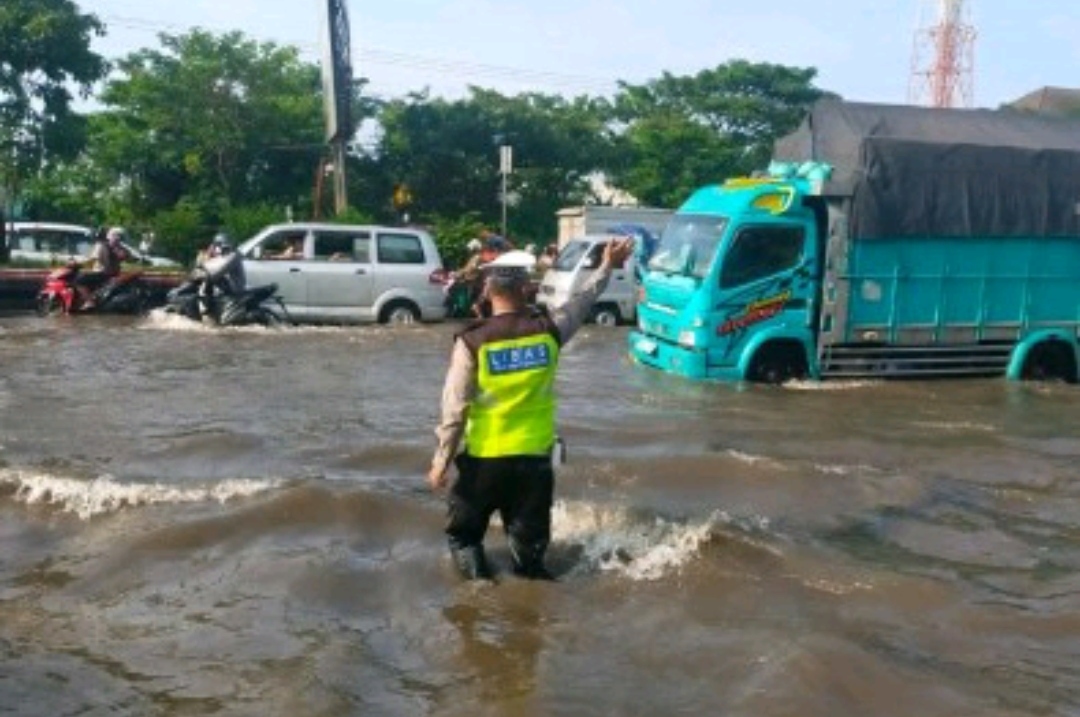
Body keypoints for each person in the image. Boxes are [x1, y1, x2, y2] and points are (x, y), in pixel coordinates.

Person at [428, 237, 635, 581]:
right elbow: (583, 300)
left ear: (488, 290)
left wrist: (441, 462)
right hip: (535, 463)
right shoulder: (549, 331)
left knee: (464, 538)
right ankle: (532, 600)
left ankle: (479, 595)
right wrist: (607, 266)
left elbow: (455, 409)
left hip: (485, 461)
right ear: (526, 289)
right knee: (530, 552)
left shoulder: (472, 341)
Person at [76, 226, 129, 308]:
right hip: (113, 274)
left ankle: (89, 301)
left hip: (102, 273)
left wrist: (77, 264)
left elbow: (92, 260)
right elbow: (125, 257)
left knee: (79, 280)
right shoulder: (120, 248)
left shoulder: (101, 245)